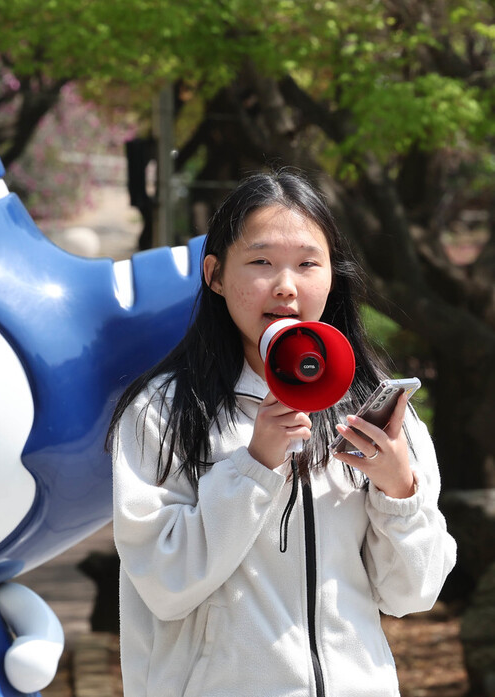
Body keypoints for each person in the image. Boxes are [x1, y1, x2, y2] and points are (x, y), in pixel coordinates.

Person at [108, 170, 456, 697]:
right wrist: (254, 465)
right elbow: (162, 583)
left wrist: (399, 490)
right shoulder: (164, 411)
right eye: (261, 262)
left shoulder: (377, 409)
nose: (286, 286)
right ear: (215, 274)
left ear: (332, 276)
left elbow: (412, 594)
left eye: (308, 263)